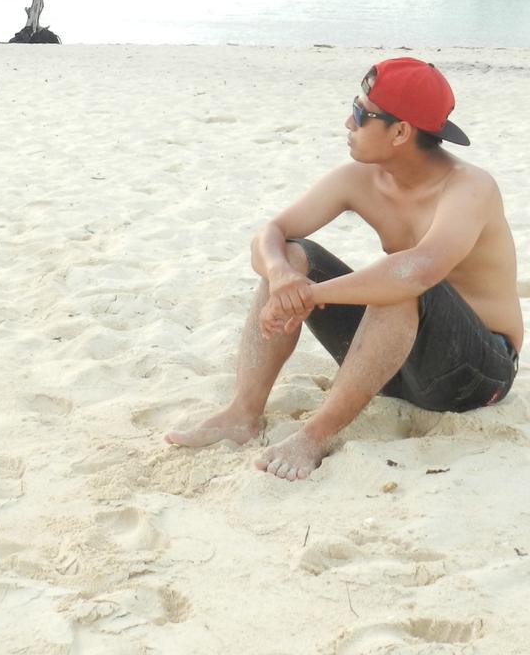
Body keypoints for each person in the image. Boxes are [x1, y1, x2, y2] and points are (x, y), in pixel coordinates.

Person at [166, 57, 522, 481]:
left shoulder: (470, 188)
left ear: (401, 132)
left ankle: (314, 436)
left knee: (399, 280)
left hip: (477, 375)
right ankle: (242, 414)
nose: (347, 122)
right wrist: (283, 277)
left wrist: (311, 295)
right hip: (396, 365)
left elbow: (420, 271)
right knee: (295, 254)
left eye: (360, 114)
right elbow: (273, 232)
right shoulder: (360, 178)